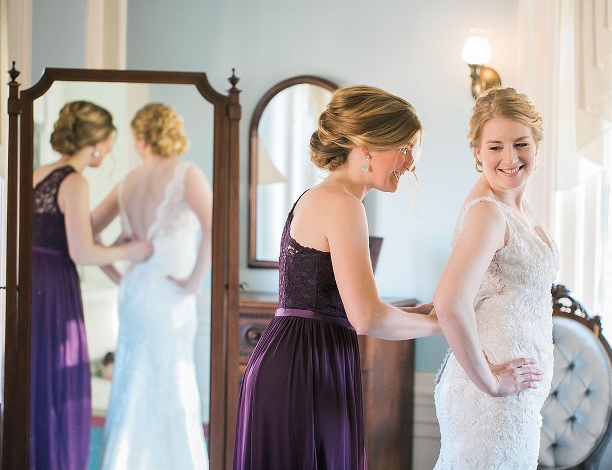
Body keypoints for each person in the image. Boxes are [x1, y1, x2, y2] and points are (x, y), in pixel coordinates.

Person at [233, 85, 441, 469]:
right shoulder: (343, 205)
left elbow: (339, 303)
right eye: (405, 147)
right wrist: (441, 324)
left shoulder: (323, 197)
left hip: (302, 358)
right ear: (367, 146)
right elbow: (367, 317)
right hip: (304, 368)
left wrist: (422, 313)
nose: (410, 162)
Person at [432, 87, 559, 469]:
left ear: (537, 144)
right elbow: (448, 303)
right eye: (494, 147)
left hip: (518, 397)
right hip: (494, 398)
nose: (509, 158)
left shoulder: (513, 204)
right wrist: (490, 381)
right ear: (477, 152)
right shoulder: (488, 213)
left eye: (521, 144)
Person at [31, 100, 153, 470]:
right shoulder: (75, 181)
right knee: (59, 376)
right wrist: (133, 250)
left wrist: (111, 253)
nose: (111, 150)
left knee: (37, 376)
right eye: (111, 142)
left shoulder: (36, 173)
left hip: (31, 279)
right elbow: (82, 252)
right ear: (97, 143)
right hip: (54, 286)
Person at [93, 103, 212, 470]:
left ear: (141, 138)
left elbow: (89, 229)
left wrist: (118, 272)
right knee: (171, 377)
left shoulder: (127, 181)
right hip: (170, 295)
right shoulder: (185, 173)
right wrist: (194, 281)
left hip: (135, 291)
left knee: (133, 377)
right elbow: (214, 226)